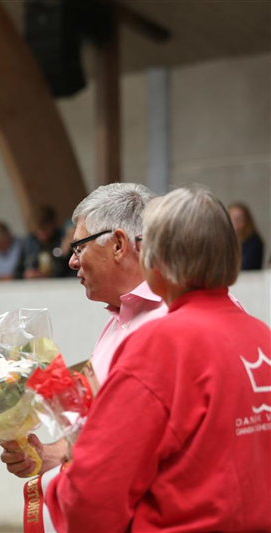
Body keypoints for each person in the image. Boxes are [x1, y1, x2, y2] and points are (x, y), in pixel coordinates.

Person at [38, 186, 271, 532]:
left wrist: (56, 489)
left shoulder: (162, 341)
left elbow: (93, 496)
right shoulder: (259, 334)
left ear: (154, 256)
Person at [1, 183, 166, 477]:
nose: (72, 260)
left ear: (118, 244)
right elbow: (102, 424)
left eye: (79, 247)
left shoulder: (176, 316)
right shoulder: (117, 318)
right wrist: (54, 453)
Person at [22, 206, 70, 279]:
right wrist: (27, 273)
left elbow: (66, 270)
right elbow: (22, 268)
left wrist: (63, 256)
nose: (42, 235)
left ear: (53, 225)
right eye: (38, 231)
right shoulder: (30, 242)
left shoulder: (63, 239)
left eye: (45, 230)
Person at [228, 202, 265, 270]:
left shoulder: (254, 241)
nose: (235, 221)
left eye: (239, 218)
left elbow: (245, 266)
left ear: (246, 220)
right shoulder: (225, 240)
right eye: (232, 217)